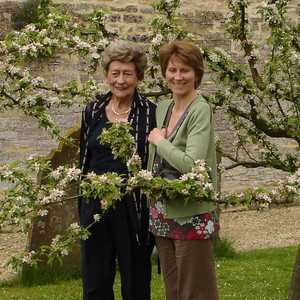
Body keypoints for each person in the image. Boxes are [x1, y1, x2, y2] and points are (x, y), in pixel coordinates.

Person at [79, 40, 156, 300]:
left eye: (127, 74)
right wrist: (84, 205)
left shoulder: (150, 113)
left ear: (138, 77)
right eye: (115, 73)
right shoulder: (92, 111)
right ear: (106, 75)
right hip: (96, 208)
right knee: (95, 283)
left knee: (135, 284)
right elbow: (84, 160)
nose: (121, 80)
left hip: (133, 209)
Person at [147, 40, 219, 300]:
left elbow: (193, 165)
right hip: (162, 211)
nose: (178, 76)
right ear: (164, 72)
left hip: (192, 213)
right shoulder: (164, 108)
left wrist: (159, 140)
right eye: (172, 70)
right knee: (174, 290)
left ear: (196, 74)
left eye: (185, 70)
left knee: (196, 292)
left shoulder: (200, 110)